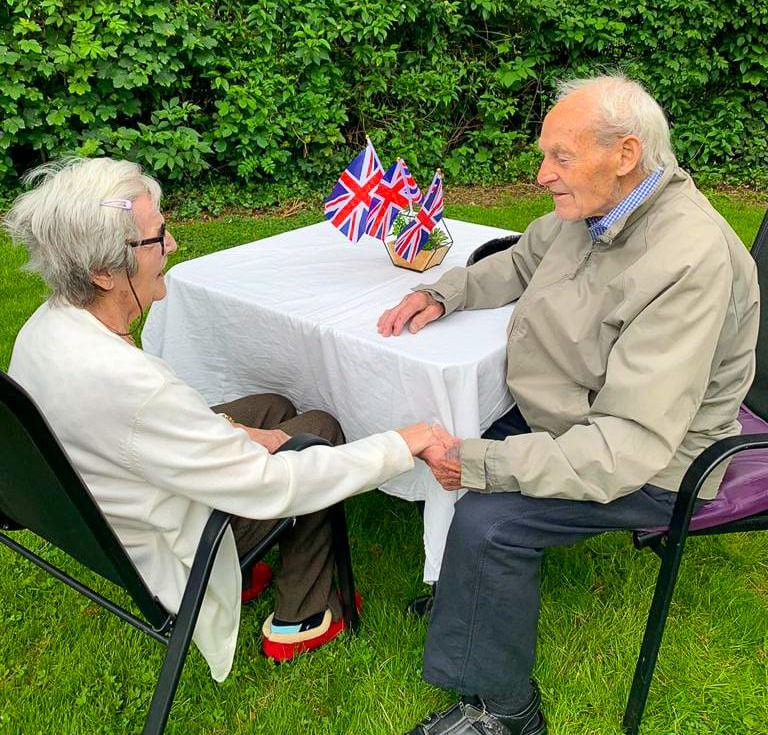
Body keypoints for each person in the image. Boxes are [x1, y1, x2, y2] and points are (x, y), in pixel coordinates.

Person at [378, 75, 759, 735]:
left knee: (490, 520)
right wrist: (446, 292)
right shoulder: (597, 208)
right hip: (574, 413)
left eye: (561, 156)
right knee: (439, 422)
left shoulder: (686, 257)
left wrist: (487, 464)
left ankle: (503, 710)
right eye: (544, 155)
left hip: (659, 459)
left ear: (625, 153)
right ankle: (471, 597)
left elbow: (629, 443)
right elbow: (520, 262)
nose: (542, 175)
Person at [4, 156, 456, 682]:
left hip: (107, 503)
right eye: (158, 237)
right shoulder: (136, 387)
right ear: (103, 272)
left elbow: (142, 428)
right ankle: (301, 618)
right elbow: (277, 484)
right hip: (170, 546)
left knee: (273, 409)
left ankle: (257, 574)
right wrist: (403, 441)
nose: (173, 245)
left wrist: (235, 433)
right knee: (316, 434)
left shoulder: (45, 326)